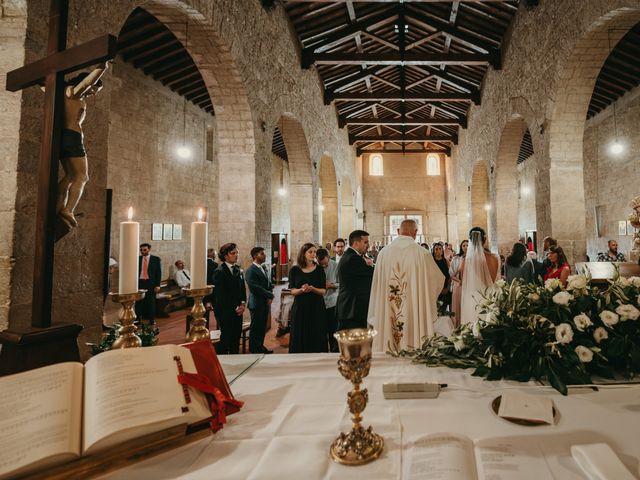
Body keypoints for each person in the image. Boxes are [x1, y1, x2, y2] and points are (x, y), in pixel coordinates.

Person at [368, 220, 444, 352]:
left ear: (398, 231)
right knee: (414, 336)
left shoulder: (383, 254)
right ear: (415, 233)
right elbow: (436, 281)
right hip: (414, 307)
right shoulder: (423, 253)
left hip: (388, 305)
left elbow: (376, 285)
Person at [57, 62, 109, 229]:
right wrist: (102, 67)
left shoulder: (63, 93)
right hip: (72, 137)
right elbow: (87, 83)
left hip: (65, 136)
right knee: (82, 176)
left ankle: (58, 207)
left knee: (70, 176)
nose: (93, 92)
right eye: (95, 89)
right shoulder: (73, 93)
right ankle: (69, 210)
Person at [288, 243, 327, 353]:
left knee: (317, 333)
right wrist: (302, 290)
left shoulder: (319, 269)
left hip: (316, 307)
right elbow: (292, 291)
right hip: (300, 307)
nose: (313, 254)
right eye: (310, 252)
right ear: (303, 253)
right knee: (300, 334)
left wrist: (313, 289)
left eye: (315, 252)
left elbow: (323, 291)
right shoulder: (295, 270)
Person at [460, 227, 500, 326]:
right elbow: (495, 280)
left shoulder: (467, 260)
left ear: (470, 241)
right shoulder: (495, 258)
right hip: (491, 297)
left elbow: (463, 281)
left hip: (473, 300)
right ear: (485, 240)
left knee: (473, 330)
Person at [336, 230, 374, 331]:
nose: (368, 245)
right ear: (356, 243)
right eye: (365, 242)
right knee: (351, 342)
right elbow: (372, 273)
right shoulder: (353, 258)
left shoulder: (350, 256)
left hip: (350, 307)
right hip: (352, 308)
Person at [213, 243, 247, 354]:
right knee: (226, 338)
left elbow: (242, 289)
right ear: (225, 256)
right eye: (233, 253)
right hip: (225, 310)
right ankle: (222, 362)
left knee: (236, 337)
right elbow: (221, 294)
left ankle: (235, 360)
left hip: (238, 310)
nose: (236, 255)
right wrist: (235, 307)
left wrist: (242, 304)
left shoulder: (238, 269)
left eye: (237, 252)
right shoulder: (219, 271)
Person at [245, 247, 274, 354]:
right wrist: (269, 294)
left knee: (262, 327)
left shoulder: (263, 268)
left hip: (264, 302)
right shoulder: (251, 270)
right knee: (256, 328)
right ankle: (254, 349)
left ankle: (260, 346)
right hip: (256, 303)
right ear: (255, 256)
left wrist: (269, 295)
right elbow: (254, 287)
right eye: (262, 254)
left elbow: (268, 284)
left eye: (264, 254)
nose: (264, 255)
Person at [316, 247, 339, 352]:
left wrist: (332, 285)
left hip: (332, 302)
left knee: (332, 329)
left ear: (328, 257)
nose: (323, 266)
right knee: (320, 330)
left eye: (325, 263)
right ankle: (322, 350)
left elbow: (343, 283)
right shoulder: (315, 267)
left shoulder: (336, 266)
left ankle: (334, 351)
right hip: (319, 303)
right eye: (321, 264)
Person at [136, 243, 162, 324]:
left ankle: (152, 319)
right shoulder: (138, 259)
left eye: (144, 250)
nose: (142, 252)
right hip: (140, 282)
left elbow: (158, 273)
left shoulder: (155, 259)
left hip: (150, 283)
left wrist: (158, 285)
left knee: (151, 302)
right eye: (141, 250)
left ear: (149, 249)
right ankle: (138, 319)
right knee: (139, 302)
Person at [449, 240, 468, 328]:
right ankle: (456, 325)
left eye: (467, 245)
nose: (465, 247)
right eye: (463, 245)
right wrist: (459, 280)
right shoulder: (456, 258)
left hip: (468, 285)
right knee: (457, 305)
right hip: (458, 284)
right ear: (461, 247)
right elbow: (451, 273)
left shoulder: (472, 258)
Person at [432, 243, 451, 311]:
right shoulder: (431, 261)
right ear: (433, 251)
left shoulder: (445, 261)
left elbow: (449, 277)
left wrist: (447, 288)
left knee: (443, 310)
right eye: (436, 249)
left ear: (442, 251)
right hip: (433, 290)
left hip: (444, 289)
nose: (438, 251)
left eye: (440, 249)